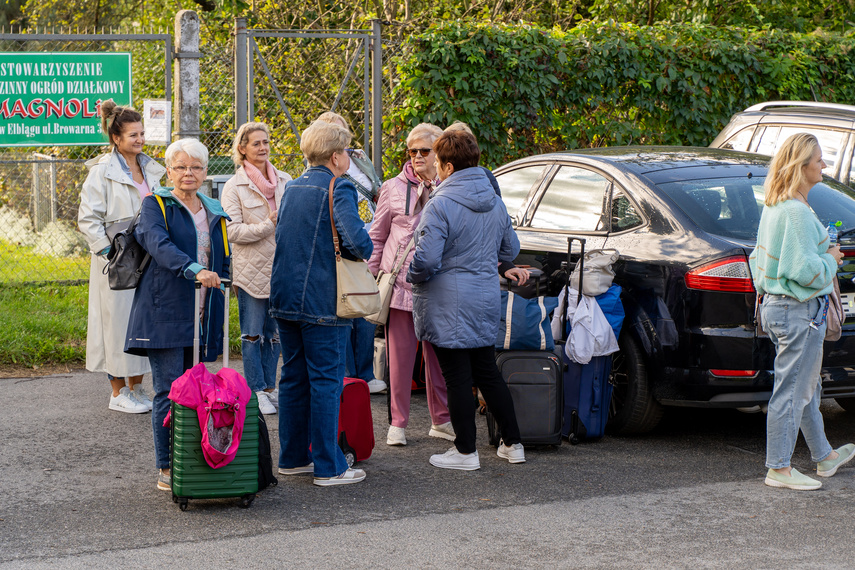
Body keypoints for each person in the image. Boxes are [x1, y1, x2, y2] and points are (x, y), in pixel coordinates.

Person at [407, 128, 525, 471]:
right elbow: (511, 250)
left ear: (446, 167)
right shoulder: (495, 202)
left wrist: (413, 274)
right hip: (485, 297)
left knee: (456, 377)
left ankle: (465, 451)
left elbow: (426, 260)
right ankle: (513, 443)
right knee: (488, 372)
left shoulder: (440, 204)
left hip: (447, 302)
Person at [269, 119, 373, 486]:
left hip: (284, 295)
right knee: (327, 379)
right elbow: (358, 242)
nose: (347, 157)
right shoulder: (338, 187)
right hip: (323, 298)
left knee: (294, 378)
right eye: (346, 151)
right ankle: (330, 466)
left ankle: (293, 457)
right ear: (335, 155)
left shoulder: (292, 187)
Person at [750, 132, 855, 491]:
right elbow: (803, 269)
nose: (824, 165)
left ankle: (824, 457)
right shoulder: (794, 211)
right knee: (792, 389)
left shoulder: (777, 205)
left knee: (803, 385)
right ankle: (778, 469)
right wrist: (830, 260)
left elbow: (756, 258)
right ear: (801, 165)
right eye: (819, 160)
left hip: (781, 309)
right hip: (799, 311)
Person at [124, 138, 230, 491]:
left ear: (205, 172)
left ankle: (192, 459)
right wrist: (193, 268)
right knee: (170, 390)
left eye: (196, 167)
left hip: (202, 311)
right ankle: (168, 467)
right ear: (168, 171)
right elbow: (157, 243)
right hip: (165, 311)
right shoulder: (155, 204)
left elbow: (222, 255)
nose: (188, 173)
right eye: (181, 167)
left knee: (198, 391)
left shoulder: (213, 207)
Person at [368, 123, 454, 447]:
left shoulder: (449, 187)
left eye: (424, 150)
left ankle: (441, 420)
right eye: (412, 151)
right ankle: (398, 423)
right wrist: (369, 276)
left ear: (438, 153)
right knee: (400, 357)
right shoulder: (392, 188)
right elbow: (377, 237)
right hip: (401, 286)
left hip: (436, 286)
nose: (417, 156)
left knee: (437, 356)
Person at [78, 100, 164, 414]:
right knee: (117, 323)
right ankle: (118, 391)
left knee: (143, 319)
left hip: (147, 256)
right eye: (133, 135)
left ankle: (137, 387)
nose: (140, 139)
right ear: (117, 138)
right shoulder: (102, 171)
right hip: (118, 259)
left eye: (142, 133)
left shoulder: (151, 168)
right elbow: (88, 218)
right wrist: (109, 253)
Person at [221, 122, 291, 415]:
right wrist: (268, 225)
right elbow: (232, 231)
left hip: (282, 266)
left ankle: (270, 389)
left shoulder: (286, 180)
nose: (263, 148)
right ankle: (256, 391)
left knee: (274, 334)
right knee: (252, 333)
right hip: (251, 270)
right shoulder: (233, 186)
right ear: (242, 149)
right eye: (255, 143)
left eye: (265, 142)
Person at [316, 112, 386, 394]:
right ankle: (347, 375)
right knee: (345, 304)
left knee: (366, 305)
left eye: (340, 130)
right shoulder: (322, 163)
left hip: (370, 235)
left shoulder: (357, 157)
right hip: (340, 240)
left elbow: (376, 187)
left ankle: (366, 373)